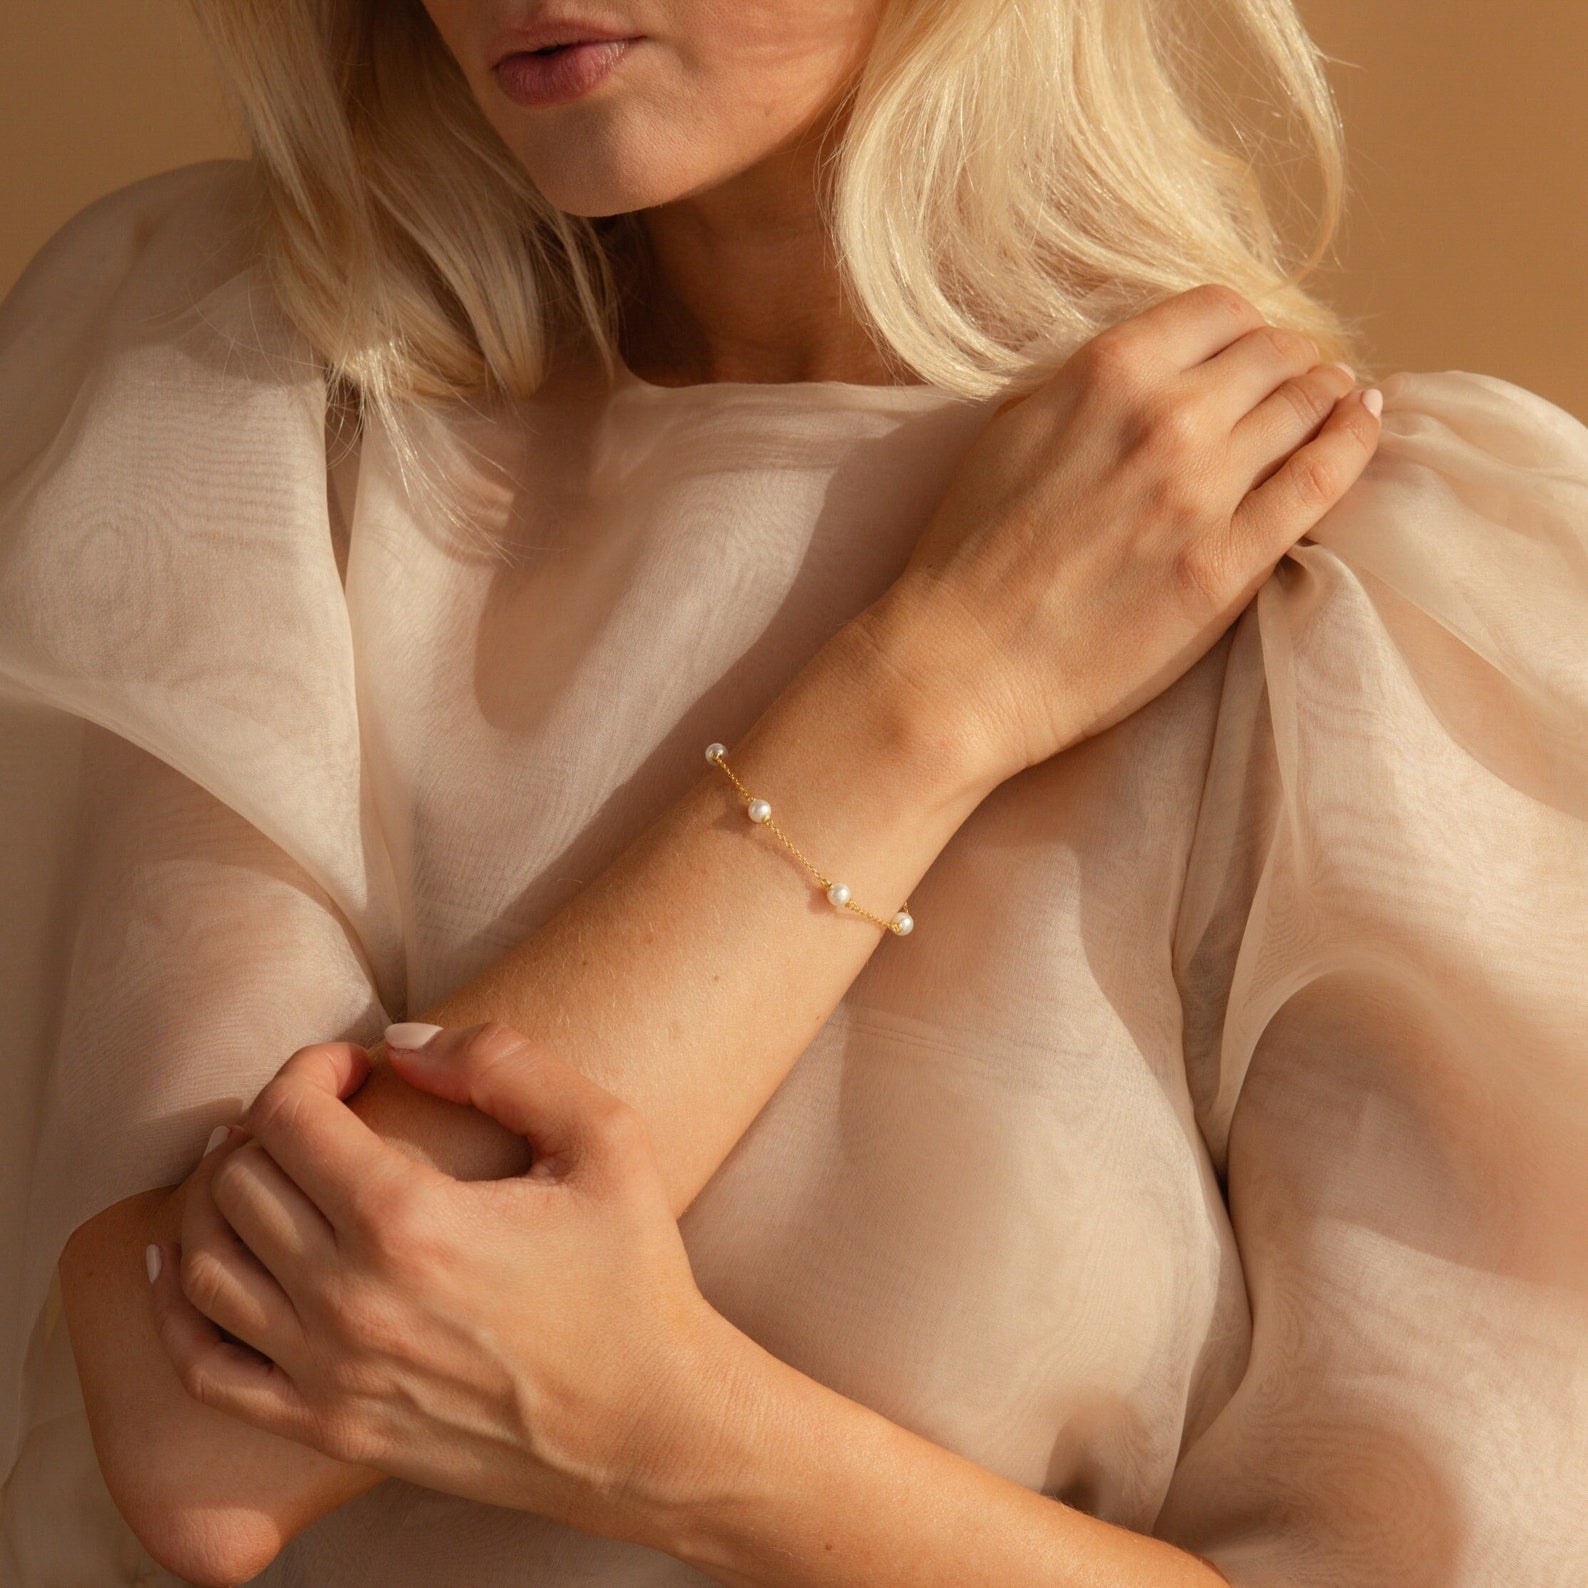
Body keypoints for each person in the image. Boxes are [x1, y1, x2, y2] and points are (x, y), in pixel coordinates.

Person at [2, 0, 1585, 1583]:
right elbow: (201, 1427)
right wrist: (929, 691)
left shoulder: (1357, 599)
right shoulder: (254, 396)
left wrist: (669, 1438)